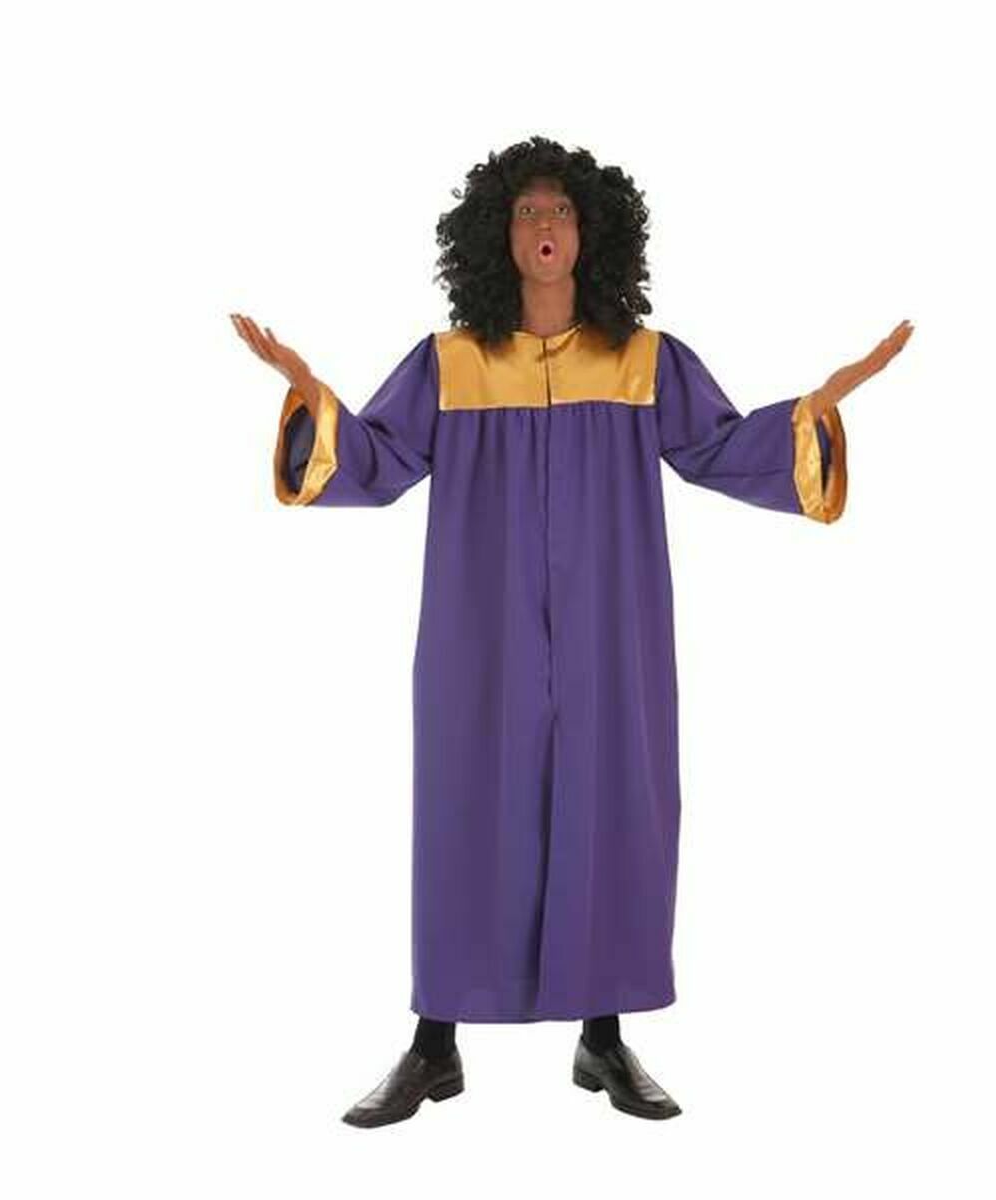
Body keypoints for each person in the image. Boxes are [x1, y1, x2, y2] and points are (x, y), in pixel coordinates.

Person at [230, 135, 913, 1127]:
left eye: (560, 210)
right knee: (466, 802)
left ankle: (603, 1036)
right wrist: (312, 396)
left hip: (611, 620)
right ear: (495, 236)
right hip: (480, 622)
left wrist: (817, 408)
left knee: (614, 800)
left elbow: (722, 449)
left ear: (591, 234)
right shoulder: (453, 364)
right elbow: (375, 460)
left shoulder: (642, 362)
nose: (544, 225)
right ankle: (434, 1045)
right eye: (525, 211)